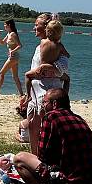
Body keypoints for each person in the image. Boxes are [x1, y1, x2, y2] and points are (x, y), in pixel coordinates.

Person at [14, 88, 92, 184]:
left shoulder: (51, 117)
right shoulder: (79, 119)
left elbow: (43, 156)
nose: (42, 106)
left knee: (20, 159)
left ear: (54, 104)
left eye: (44, 103)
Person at [24, 15, 70, 156]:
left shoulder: (54, 46)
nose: (34, 27)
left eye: (36, 24)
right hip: (35, 91)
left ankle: (47, 157)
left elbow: (64, 66)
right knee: (32, 125)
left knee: (47, 126)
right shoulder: (40, 45)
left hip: (47, 90)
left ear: (46, 28)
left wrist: (51, 69)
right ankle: (35, 155)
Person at [0, 19, 23, 96]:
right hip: (14, 57)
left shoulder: (13, 34)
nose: (4, 26)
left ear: (9, 25)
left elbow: (20, 45)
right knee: (15, 76)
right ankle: (21, 94)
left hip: (13, 57)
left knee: (1, 73)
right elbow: (2, 43)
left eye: (5, 25)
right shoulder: (9, 34)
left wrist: (12, 51)